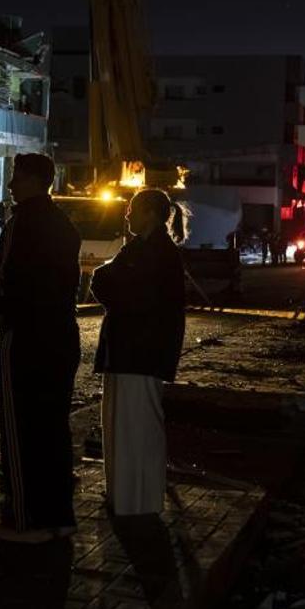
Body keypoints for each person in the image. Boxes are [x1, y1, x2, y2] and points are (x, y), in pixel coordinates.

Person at [0, 153, 82, 543]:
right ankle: (60, 515)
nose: (12, 184)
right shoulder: (64, 225)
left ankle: (27, 519)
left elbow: (3, 287)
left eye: (17, 176)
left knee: (21, 431)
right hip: (62, 336)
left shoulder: (21, 223)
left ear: (34, 179)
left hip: (27, 340)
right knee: (54, 428)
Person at [90, 188, 187, 516]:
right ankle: (130, 498)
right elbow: (109, 282)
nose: (127, 215)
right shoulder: (149, 249)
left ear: (148, 213)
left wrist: (109, 283)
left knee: (134, 427)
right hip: (134, 352)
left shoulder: (151, 251)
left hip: (137, 353)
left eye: (132, 209)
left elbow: (109, 284)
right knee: (130, 425)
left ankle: (135, 501)